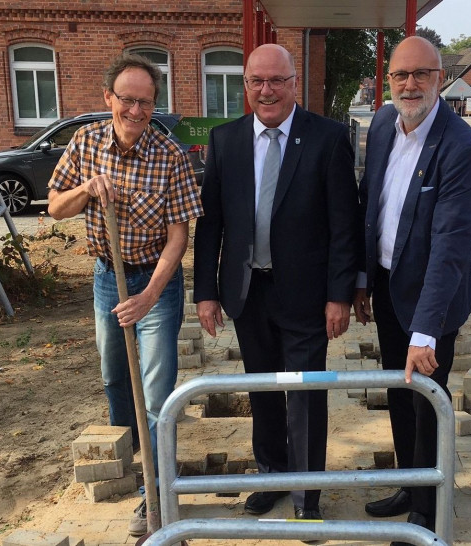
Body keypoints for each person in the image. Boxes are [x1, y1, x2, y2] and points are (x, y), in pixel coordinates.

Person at [193, 43, 358, 523]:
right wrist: (205, 291)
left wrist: (339, 295)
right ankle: (271, 475)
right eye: (255, 82)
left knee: (305, 395)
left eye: (276, 81)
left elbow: (344, 225)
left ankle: (308, 497)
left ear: (293, 84)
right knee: (263, 391)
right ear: (245, 86)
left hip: (307, 298)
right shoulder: (225, 141)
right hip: (247, 293)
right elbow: (212, 225)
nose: (265, 91)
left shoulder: (327, 139)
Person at [47, 52, 202, 536]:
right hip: (106, 278)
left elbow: (179, 237)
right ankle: (129, 464)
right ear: (109, 98)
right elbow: (54, 207)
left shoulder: (170, 155)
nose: (136, 111)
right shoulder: (86, 141)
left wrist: (150, 295)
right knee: (116, 379)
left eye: (146, 103)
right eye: (128, 100)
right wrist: (88, 192)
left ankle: (154, 495)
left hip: (156, 282)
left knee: (155, 392)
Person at [353, 36, 471, 546]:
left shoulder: (459, 146)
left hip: (434, 300)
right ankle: (410, 486)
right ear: (388, 80)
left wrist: (425, 332)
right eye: (401, 75)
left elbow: (451, 246)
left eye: (422, 74)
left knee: (428, 401)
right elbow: (373, 207)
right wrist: (364, 280)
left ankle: (428, 513)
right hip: (387, 286)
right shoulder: (384, 124)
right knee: (398, 393)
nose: (411, 84)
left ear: (439, 78)